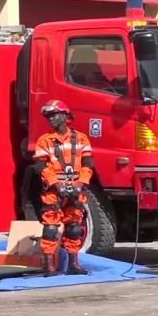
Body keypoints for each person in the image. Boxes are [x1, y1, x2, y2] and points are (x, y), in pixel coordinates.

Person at [33, 100, 94, 277]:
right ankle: (49, 267)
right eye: (48, 116)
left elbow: (88, 164)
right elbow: (41, 167)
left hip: (76, 187)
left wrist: (80, 184)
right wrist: (57, 184)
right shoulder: (44, 141)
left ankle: (74, 265)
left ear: (65, 115)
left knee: (74, 227)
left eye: (54, 115)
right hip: (53, 189)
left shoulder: (81, 139)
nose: (50, 119)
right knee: (51, 228)